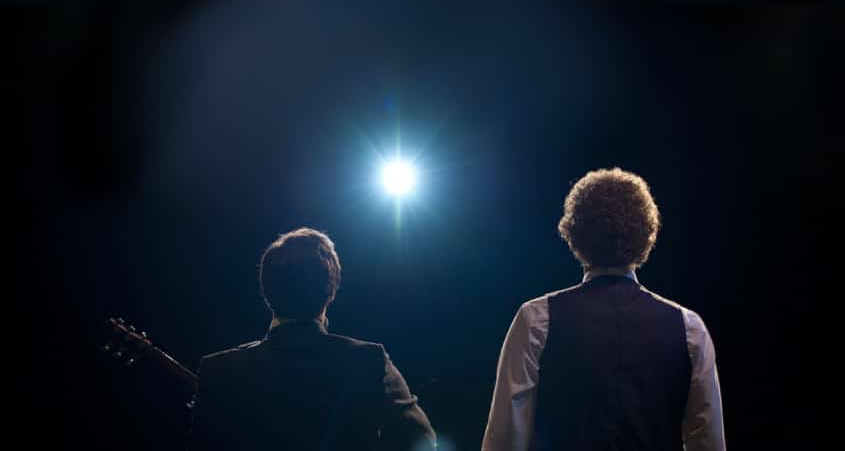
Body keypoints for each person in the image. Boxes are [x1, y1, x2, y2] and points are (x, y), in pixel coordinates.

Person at [482, 167, 725, 451]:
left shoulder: (536, 319)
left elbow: (506, 439)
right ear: (646, 233)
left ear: (575, 233)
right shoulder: (688, 328)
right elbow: (708, 441)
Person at [189, 227, 436, 451]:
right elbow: (422, 440)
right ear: (330, 291)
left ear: (266, 290)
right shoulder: (368, 360)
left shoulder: (218, 370)